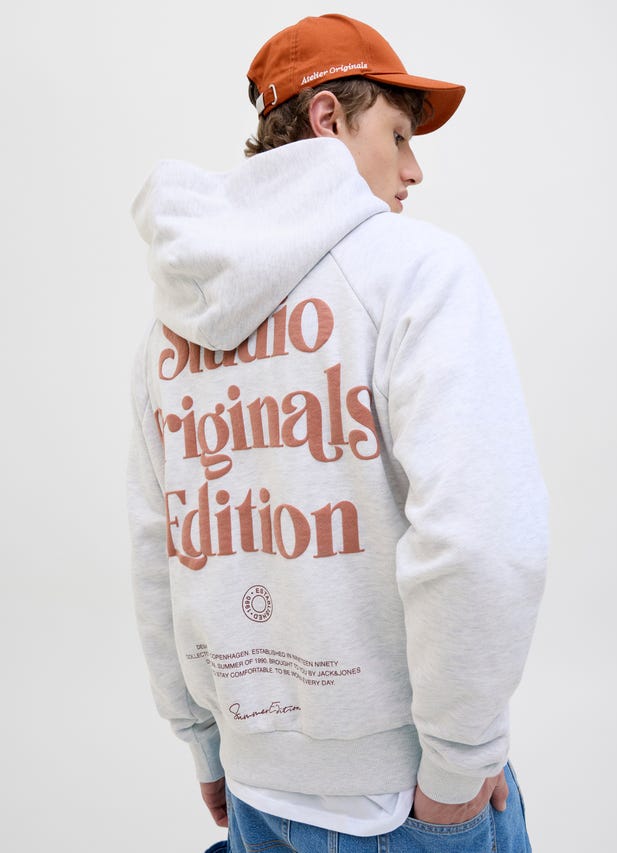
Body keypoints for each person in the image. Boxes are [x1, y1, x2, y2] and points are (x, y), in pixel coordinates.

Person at [127, 12, 548, 852]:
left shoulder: (170, 328)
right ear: (328, 119)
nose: (414, 168)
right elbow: (481, 538)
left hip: (255, 792)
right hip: (403, 802)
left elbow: (159, 548)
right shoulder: (417, 272)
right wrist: (458, 768)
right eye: (398, 134)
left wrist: (206, 742)